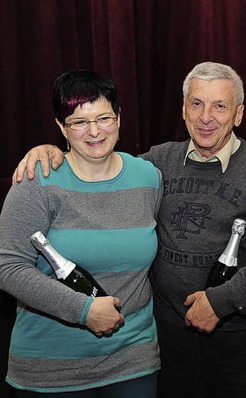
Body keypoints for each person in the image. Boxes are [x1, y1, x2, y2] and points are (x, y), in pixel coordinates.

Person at [13, 62, 246, 398]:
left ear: (238, 114)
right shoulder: (156, 164)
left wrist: (222, 302)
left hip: (241, 341)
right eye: (196, 103)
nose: (206, 116)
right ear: (183, 110)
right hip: (167, 338)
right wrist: (48, 151)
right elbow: (98, 159)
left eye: (220, 105)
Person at [0, 70, 162, 397]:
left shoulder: (148, 177)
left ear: (119, 118)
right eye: (78, 122)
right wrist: (83, 311)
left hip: (133, 359)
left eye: (103, 117)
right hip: (51, 369)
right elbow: (9, 268)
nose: (93, 131)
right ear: (61, 128)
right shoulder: (38, 180)